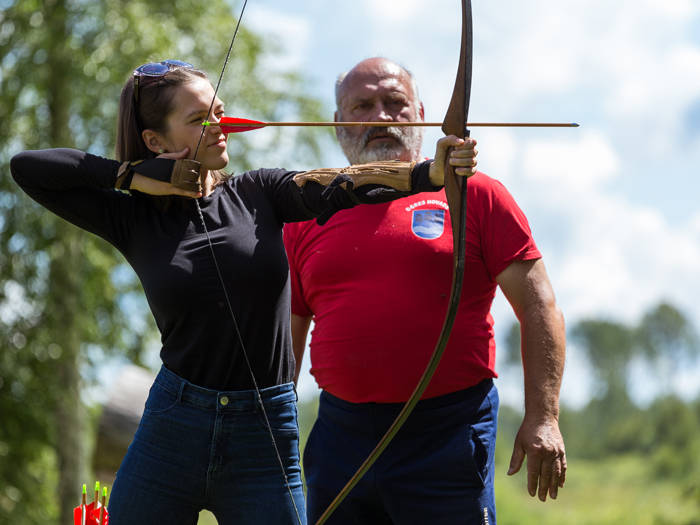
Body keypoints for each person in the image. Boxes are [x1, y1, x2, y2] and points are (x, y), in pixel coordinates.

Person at [10, 60, 476, 525]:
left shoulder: (261, 191)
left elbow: (340, 186)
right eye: (199, 120)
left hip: (263, 432)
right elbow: (27, 168)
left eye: (220, 111)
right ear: (156, 141)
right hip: (174, 425)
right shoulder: (134, 217)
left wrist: (426, 174)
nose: (221, 126)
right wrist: (129, 176)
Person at [283, 57, 567, 525]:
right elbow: (287, 333)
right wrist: (269, 430)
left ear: (422, 114)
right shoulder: (306, 211)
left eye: (395, 103)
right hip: (341, 434)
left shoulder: (475, 194)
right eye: (363, 105)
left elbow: (540, 307)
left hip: (447, 432)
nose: (380, 117)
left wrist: (544, 417)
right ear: (337, 122)